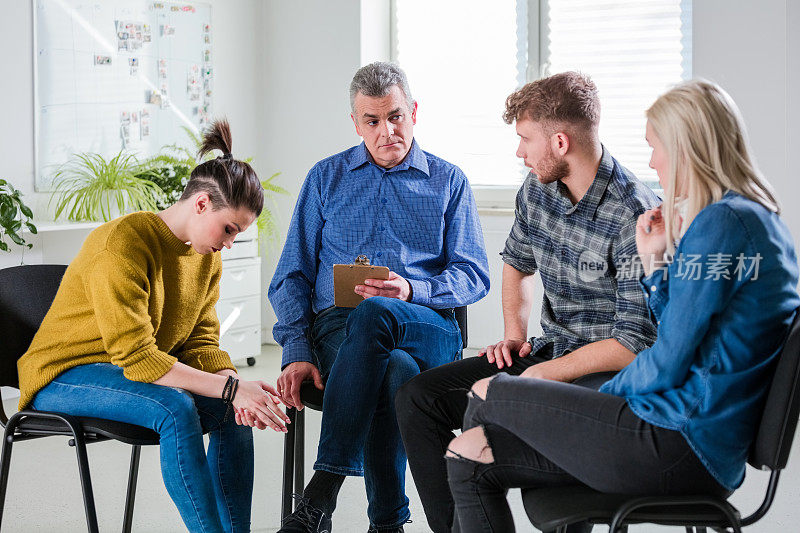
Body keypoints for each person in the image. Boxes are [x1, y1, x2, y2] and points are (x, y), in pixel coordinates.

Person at [444, 79, 800, 532]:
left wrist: (588, 399)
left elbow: (668, 361)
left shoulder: (723, 225)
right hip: (693, 441)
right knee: (468, 454)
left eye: (656, 147)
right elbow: (684, 331)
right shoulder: (753, 220)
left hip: (678, 441)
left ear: (687, 145)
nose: (652, 161)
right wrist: (654, 265)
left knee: (488, 392)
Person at [395, 71, 659, 533]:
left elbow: (634, 343)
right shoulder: (538, 188)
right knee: (419, 398)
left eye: (524, 140)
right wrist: (515, 336)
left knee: (510, 432)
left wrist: (539, 376)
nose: (519, 153)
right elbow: (517, 263)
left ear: (559, 142)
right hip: (548, 354)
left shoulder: (633, 213)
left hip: (603, 380)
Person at [18, 119, 288, 533]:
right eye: (229, 229)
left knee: (229, 410)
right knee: (174, 406)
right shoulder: (123, 243)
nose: (230, 243)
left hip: (122, 372)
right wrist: (234, 387)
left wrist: (233, 386)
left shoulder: (206, 257)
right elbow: (138, 358)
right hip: (64, 374)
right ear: (201, 204)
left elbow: (201, 339)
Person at [268, 61, 490, 533]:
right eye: (372, 121)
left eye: (395, 116)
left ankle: (319, 496)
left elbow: (474, 276)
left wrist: (412, 289)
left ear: (413, 111)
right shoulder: (325, 178)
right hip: (340, 332)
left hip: (427, 326)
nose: (387, 130)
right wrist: (296, 350)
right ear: (356, 124)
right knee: (395, 371)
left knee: (379, 314)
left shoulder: (448, 181)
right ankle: (388, 524)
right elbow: (290, 276)